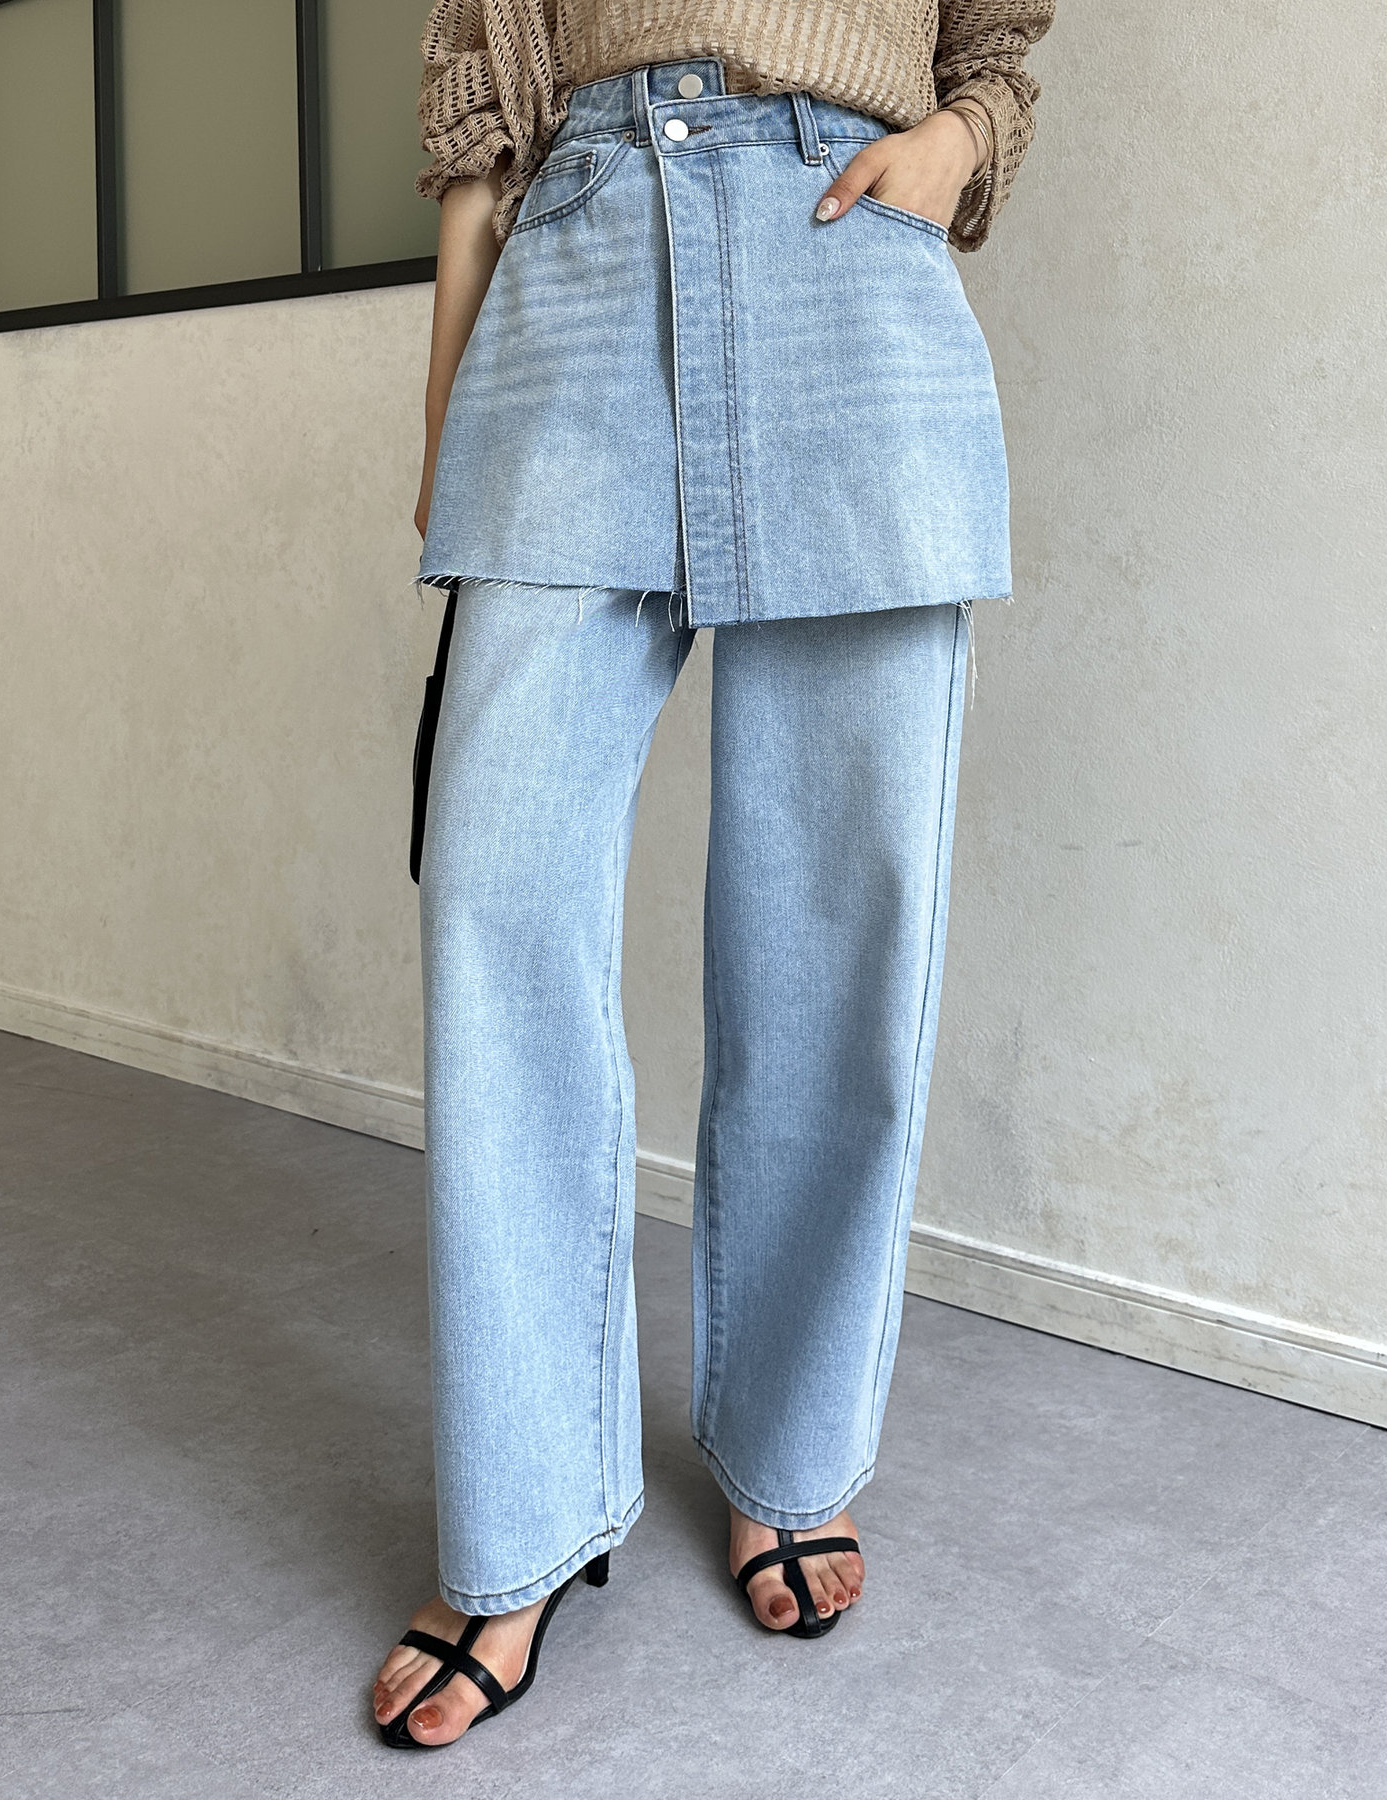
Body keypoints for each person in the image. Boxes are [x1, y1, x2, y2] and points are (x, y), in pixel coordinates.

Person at [372, 0, 1054, 1751]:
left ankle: (791, 1455)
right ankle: (523, 1517)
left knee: (838, 926)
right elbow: (483, 127)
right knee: (496, 904)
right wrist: (451, 417)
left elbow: (995, 49)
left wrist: (956, 148)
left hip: (849, 271)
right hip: (581, 267)